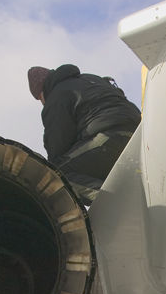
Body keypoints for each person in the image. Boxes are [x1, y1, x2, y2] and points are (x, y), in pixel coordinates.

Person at [27, 64, 142, 204]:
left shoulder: (56, 97)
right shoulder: (91, 79)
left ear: (42, 91)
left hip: (109, 139)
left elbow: (58, 145)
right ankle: (123, 196)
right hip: (137, 135)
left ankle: (116, 204)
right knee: (85, 171)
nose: (42, 103)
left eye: (39, 98)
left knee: (55, 174)